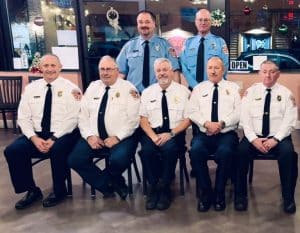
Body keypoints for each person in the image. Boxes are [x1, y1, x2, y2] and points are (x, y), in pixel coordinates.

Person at [4, 54, 81, 209]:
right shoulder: (31, 89)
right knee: (13, 150)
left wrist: (53, 138)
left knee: (58, 149)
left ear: (60, 67)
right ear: (40, 68)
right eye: (46, 66)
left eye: (53, 65)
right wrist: (33, 138)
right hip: (37, 134)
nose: (50, 69)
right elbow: (23, 117)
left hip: (63, 133)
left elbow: (73, 118)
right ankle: (31, 190)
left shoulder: (71, 89)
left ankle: (60, 190)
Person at [68, 56, 140, 200]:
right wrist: (89, 136)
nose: (105, 73)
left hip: (121, 137)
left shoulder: (129, 89)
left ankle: (109, 183)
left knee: (119, 159)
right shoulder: (93, 87)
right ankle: (110, 184)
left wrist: (117, 137)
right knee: (75, 159)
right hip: (94, 136)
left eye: (109, 69)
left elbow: (134, 119)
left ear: (117, 71)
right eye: (102, 69)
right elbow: (82, 115)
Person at [234, 60, 298, 214]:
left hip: (278, 138)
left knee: (289, 155)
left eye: (272, 71)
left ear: (278, 74)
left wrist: (275, 139)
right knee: (239, 154)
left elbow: (290, 121)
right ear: (259, 73)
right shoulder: (250, 92)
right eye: (264, 71)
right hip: (253, 137)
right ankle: (240, 196)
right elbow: (244, 119)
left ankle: (288, 198)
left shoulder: (286, 94)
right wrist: (253, 139)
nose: (268, 75)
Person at [186, 56, 241, 212]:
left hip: (226, 134)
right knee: (195, 151)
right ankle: (205, 193)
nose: (213, 71)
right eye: (210, 67)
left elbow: (239, 111)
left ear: (223, 70)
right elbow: (192, 111)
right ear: (206, 70)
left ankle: (219, 193)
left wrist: (222, 123)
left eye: (217, 67)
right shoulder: (198, 89)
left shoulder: (233, 88)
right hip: (204, 133)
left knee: (226, 152)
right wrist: (206, 123)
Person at [139, 58, 191, 210]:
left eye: (165, 70)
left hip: (175, 134)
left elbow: (188, 119)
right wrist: (154, 136)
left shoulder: (183, 92)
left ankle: (165, 189)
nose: (162, 73)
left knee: (169, 150)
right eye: (159, 71)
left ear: (172, 71)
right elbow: (142, 119)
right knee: (147, 151)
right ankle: (154, 187)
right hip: (153, 134)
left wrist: (171, 133)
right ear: (155, 74)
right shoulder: (148, 92)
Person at [117, 10, 180, 93]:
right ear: (137, 25)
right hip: (133, 95)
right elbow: (120, 73)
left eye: (147, 22)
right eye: (140, 22)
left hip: (158, 95)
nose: (144, 25)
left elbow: (174, 71)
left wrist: (175, 93)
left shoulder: (165, 45)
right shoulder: (128, 46)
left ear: (154, 24)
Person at [180, 8, 229, 89]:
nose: (203, 22)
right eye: (200, 20)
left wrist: (213, 84)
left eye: (206, 20)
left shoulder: (220, 42)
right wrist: (195, 86)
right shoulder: (188, 43)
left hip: (214, 88)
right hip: (193, 89)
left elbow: (225, 66)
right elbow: (184, 67)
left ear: (211, 22)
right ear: (195, 22)